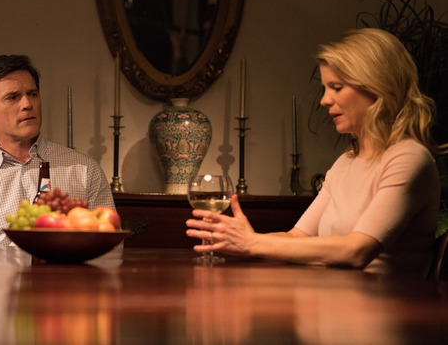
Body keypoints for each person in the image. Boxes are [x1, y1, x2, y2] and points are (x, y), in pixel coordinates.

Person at [186, 28, 445, 277]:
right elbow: (296, 237)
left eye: (337, 87)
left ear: (376, 87)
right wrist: (234, 241)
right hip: (332, 304)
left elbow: (357, 251)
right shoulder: (346, 161)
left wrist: (252, 244)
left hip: (379, 313)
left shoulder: (409, 158)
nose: (324, 100)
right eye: (325, 88)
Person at [0, 55, 116, 245]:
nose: (27, 104)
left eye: (33, 94)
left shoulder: (84, 170)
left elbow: (110, 247)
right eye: (12, 97)